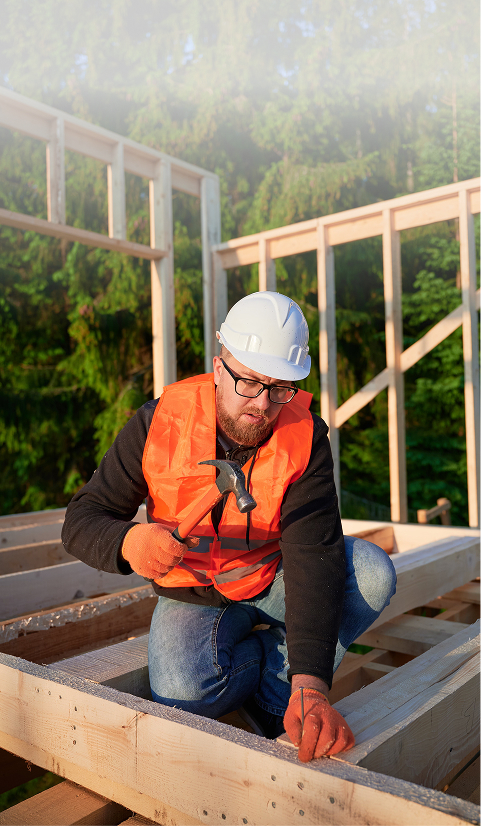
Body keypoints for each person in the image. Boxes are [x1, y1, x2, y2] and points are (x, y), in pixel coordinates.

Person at [62, 290, 396, 763]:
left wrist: (311, 685)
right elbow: (80, 520)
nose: (263, 404)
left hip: (270, 578)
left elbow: (314, 555)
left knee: (370, 573)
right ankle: (266, 654)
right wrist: (127, 541)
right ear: (220, 368)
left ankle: (279, 694)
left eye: (280, 388)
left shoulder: (305, 436)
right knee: (182, 694)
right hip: (194, 591)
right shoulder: (158, 422)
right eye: (249, 383)